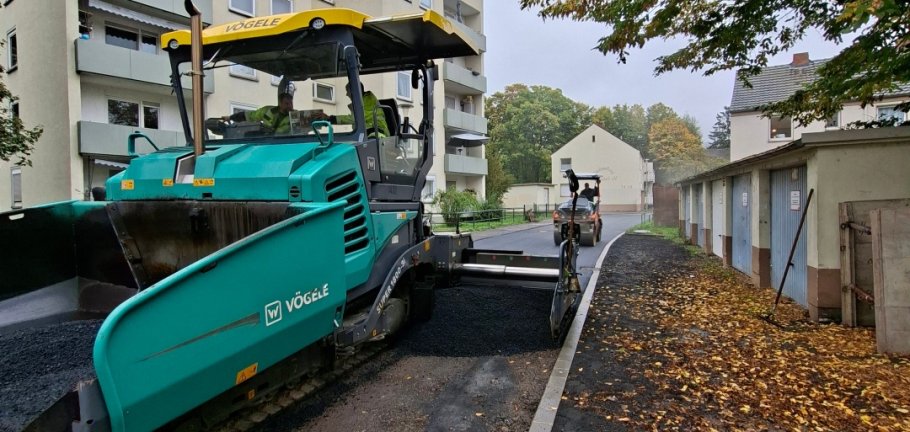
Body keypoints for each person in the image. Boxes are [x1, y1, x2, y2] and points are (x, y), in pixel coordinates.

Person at [321, 83, 389, 137]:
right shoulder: (362, 101)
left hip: (377, 133)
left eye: (348, 91)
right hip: (366, 132)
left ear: (355, 91)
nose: (347, 94)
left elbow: (356, 118)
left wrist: (330, 119)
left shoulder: (369, 101)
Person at [223, 92, 294, 134]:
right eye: (287, 104)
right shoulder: (267, 111)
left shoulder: (296, 115)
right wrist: (230, 117)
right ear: (280, 103)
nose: (290, 106)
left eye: (291, 103)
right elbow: (248, 115)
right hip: (268, 143)